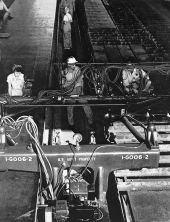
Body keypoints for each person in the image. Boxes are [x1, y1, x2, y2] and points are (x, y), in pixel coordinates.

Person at [62, 56, 93, 126]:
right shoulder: (64, 72)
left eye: (74, 64)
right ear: (68, 65)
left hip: (78, 90)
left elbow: (81, 81)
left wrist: (82, 91)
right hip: (70, 92)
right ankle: (71, 123)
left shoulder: (78, 69)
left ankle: (90, 120)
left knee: (86, 105)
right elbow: (62, 85)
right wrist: (64, 95)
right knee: (70, 108)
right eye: (72, 64)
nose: (74, 65)